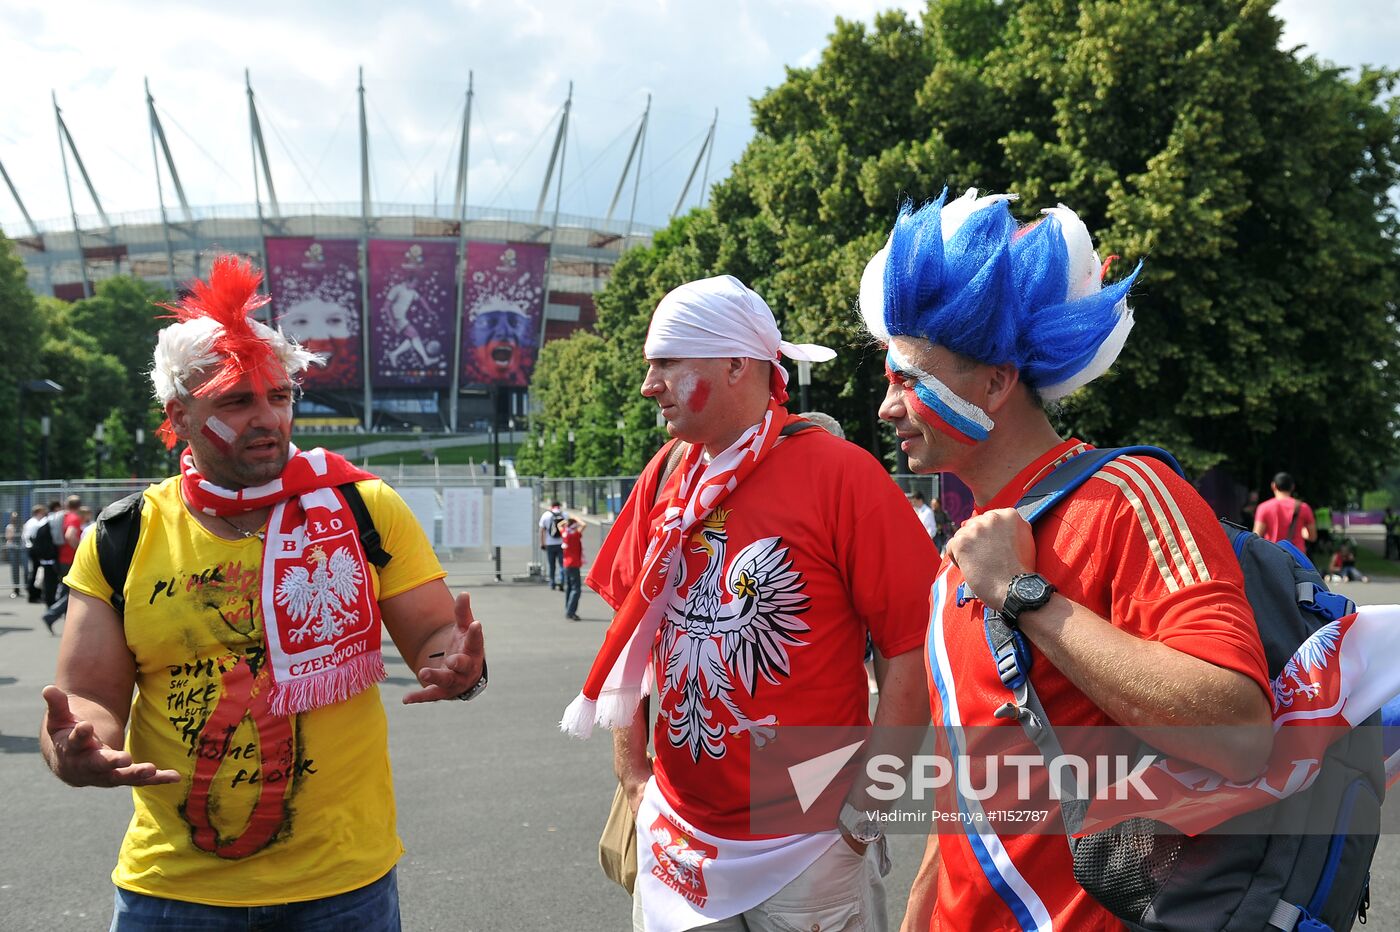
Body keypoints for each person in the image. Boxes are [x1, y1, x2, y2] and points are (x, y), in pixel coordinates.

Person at [861, 190, 1273, 930]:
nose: (888, 407)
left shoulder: (1130, 496)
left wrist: (1025, 596)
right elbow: (968, 785)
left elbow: (1240, 733)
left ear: (996, 382)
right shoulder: (955, 566)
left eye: (910, 379)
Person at [39, 255, 487, 931]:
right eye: (236, 401)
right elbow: (89, 698)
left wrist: (456, 663)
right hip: (172, 893)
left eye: (279, 397)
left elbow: (433, 634)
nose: (268, 419)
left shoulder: (362, 506)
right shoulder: (122, 536)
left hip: (343, 888)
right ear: (179, 415)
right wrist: (77, 748)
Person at [562, 274, 938, 932]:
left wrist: (865, 812)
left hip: (809, 846)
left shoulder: (842, 475)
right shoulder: (667, 474)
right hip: (678, 838)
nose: (649, 385)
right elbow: (629, 635)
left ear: (737, 364)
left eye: (667, 363)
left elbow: (910, 649)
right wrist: (632, 775)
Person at [1252, 471, 1316, 555]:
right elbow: (1312, 537)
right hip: (1297, 556)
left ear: (1273, 486)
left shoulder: (1263, 507)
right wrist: (1303, 532)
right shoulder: (1303, 507)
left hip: (1272, 555)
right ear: (1292, 487)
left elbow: (1256, 536)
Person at [560, 515, 585, 620]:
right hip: (574, 564)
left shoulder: (564, 533)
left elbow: (559, 525)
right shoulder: (575, 534)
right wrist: (576, 518)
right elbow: (584, 525)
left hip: (566, 563)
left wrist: (567, 520)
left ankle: (568, 609)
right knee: (576, 589)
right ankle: (571, 611)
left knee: (569, 588)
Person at [22, 503, 47, 602]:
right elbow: (33, 537)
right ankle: (33, 595)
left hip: (32, 549)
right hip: (34, 549)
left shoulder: (31, 522)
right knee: (35, 572)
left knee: (35, 571)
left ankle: (35, 594)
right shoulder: (35, 523)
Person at [539, 500, 565, 589]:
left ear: (551, 506)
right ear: (559, 506)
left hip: (549, 544)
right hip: (562, 543)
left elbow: (542, 530)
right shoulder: (564, 515)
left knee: (551, 564)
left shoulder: (546, 515)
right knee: (562, 564)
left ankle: (552, 582)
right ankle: (561, 580)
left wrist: (542, 543)